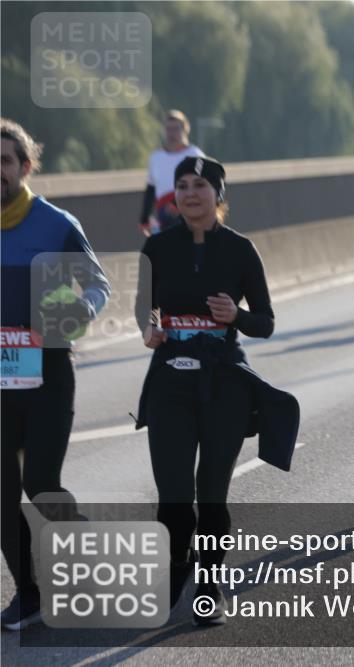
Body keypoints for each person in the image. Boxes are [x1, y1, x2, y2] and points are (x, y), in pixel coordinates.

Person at [133, 155, 299, 626]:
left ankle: (208, 586)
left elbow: (265, 322)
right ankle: (177, 567)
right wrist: (149, 328)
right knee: (172, 495)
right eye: (182, 185)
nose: (190, 193)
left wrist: (237, 317)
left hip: (225, 384)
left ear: (218, 196)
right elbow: (143, 308)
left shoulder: (241, 250)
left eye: (201, 185)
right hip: (170, 382)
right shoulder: (156, 247)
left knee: (211, 496)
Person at [1, 118, 111, 630]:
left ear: (25, 167)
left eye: (5, 161)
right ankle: (29, 594)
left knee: (41, 484)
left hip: (47, 373)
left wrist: (77, 312)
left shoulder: (56, 223)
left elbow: (97, 285)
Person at [139, 110, 204, 237]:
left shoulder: (194, 154)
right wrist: (144, 218)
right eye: (168, 129)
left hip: (189, 215)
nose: (171, 133)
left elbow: (203, 185)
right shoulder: (156, 157)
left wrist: (178, 203)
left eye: (175, 128)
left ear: (185, 129)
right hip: (163, 217)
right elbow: (151, 188)